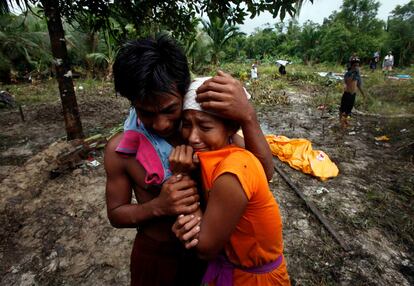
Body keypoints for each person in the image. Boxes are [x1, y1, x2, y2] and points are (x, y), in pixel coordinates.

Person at [105, 35, 274, 286]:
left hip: (208, 256)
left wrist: (248, 116)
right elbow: (116, 214)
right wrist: (158, 206)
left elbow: (262, 172)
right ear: (133, 103)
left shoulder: (206, 136)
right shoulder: (122, 150)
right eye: (146, 112)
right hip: (156, 257)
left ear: (183, 92)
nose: (161, 123)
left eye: (170, 109)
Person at [170, 77, 290, 286]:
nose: (192, 138)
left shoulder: (233, 171)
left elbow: (205, 248)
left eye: (205, 127)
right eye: (186, 125)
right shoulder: (227, 148)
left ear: (232, 128)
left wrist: (182, 176)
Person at [339, 57, 365, 128]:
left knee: (349, 109)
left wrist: (363, 94)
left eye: (357, 65)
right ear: (352, 66)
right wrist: (352, 74)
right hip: (347, 94)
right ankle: (340, 121)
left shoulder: (358, 75)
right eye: (355, 65)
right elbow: (347, 82)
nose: (357, 67)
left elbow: (359, 85)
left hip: (353, 94)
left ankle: (345, 120)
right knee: (342, 108)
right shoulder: (348, 73)